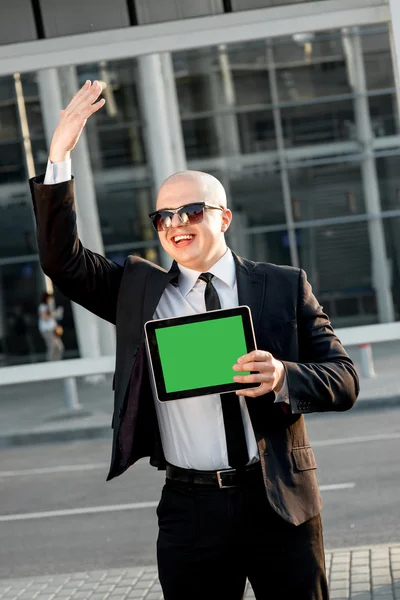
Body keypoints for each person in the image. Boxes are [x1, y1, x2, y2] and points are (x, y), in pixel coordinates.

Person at [29, 81, 359, 600]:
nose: (176, 224)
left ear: (223, 217)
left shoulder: (282, 283)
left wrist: (282, 376)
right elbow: (61, 261)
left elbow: (345, 378)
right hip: (191, 508)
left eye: (192, 212)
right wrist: (59, 156)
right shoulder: (138, 291)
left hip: (278, 500)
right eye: (164, 216)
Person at [38, 291, 64, 361]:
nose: (51, 300)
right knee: (52, 346)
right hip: (47, 330)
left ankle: (57, 361)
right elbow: (45, 317)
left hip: (53, 329)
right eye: (50, 298)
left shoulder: (49, 307)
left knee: (59, 347)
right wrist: (55, 313)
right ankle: (50, 362)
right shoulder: (43, 307)